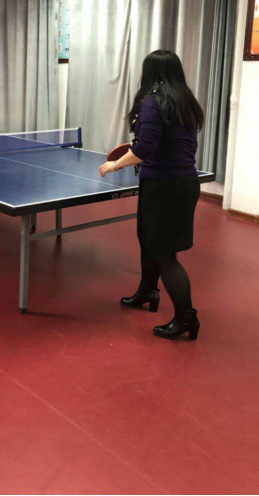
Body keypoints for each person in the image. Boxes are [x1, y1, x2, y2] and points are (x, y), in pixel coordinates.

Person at [99, 50, 204, 340]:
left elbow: (144, 148)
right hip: (182, 183)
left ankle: (186, 318)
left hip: (164, 186)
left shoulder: (152, 102)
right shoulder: (185, 102)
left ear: (150, 73)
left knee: (164, 254)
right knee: (149, 242)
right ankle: (147, 291)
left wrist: (115, 164)